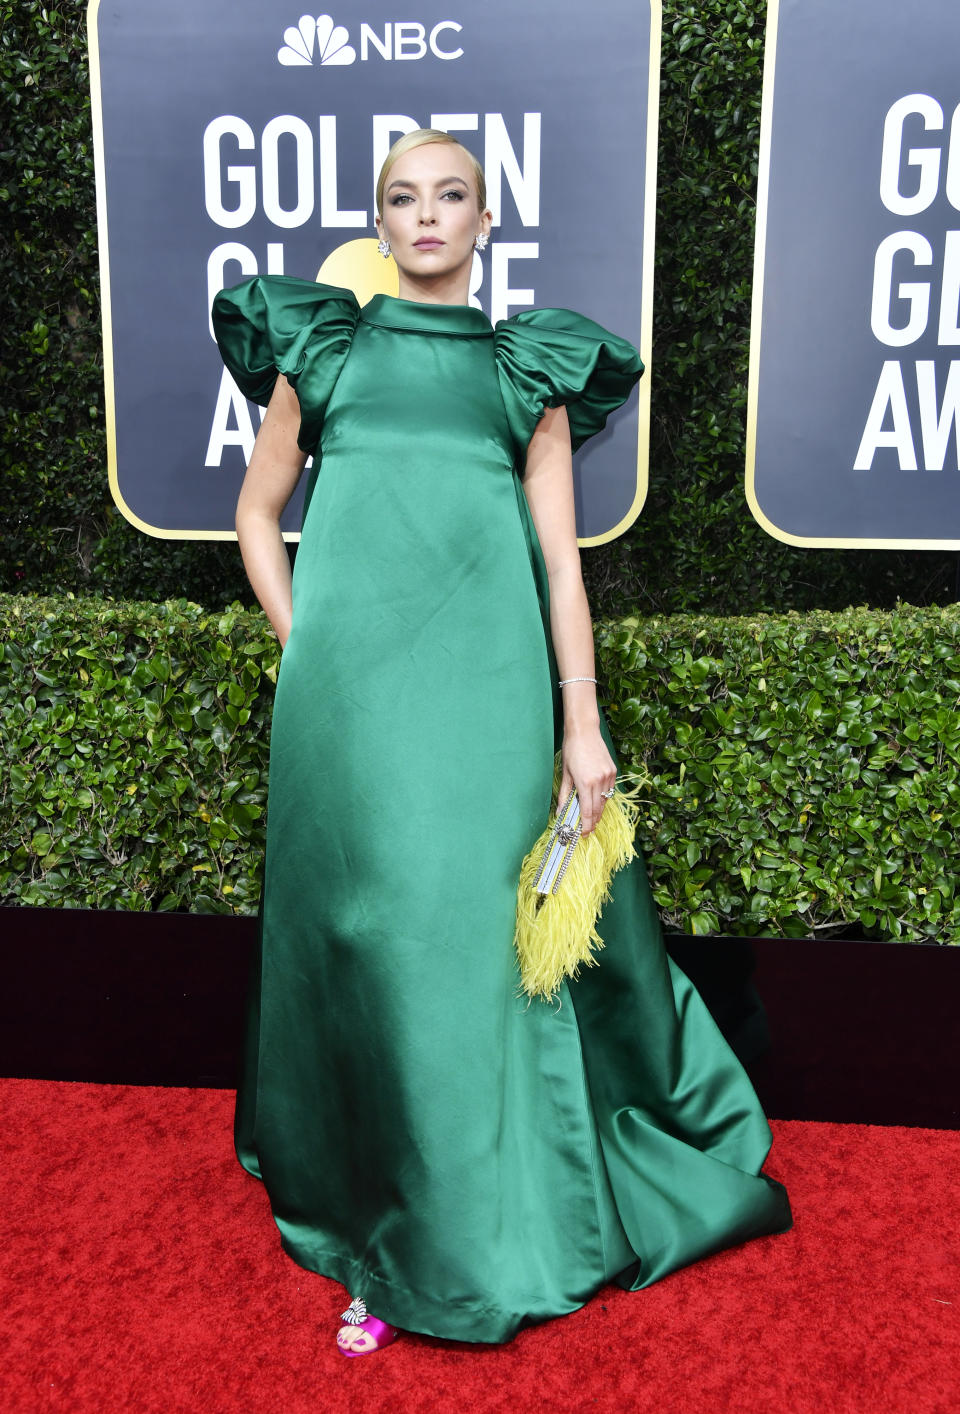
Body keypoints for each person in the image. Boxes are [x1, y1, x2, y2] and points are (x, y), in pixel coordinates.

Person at [211, 129, 793, 1358]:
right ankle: (379, 1207)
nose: (427, 216)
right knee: (371, 936)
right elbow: (259, 516)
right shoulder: (322, 347)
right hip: (350, 706)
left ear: (486, 218)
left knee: (467, 947)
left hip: (490, 699)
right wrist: (305, 641)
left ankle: (463, 1230)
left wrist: (582, 727)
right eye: (402, 199)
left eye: (452, 195)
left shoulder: (526, 368)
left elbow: (561, 571)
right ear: (381, 222)